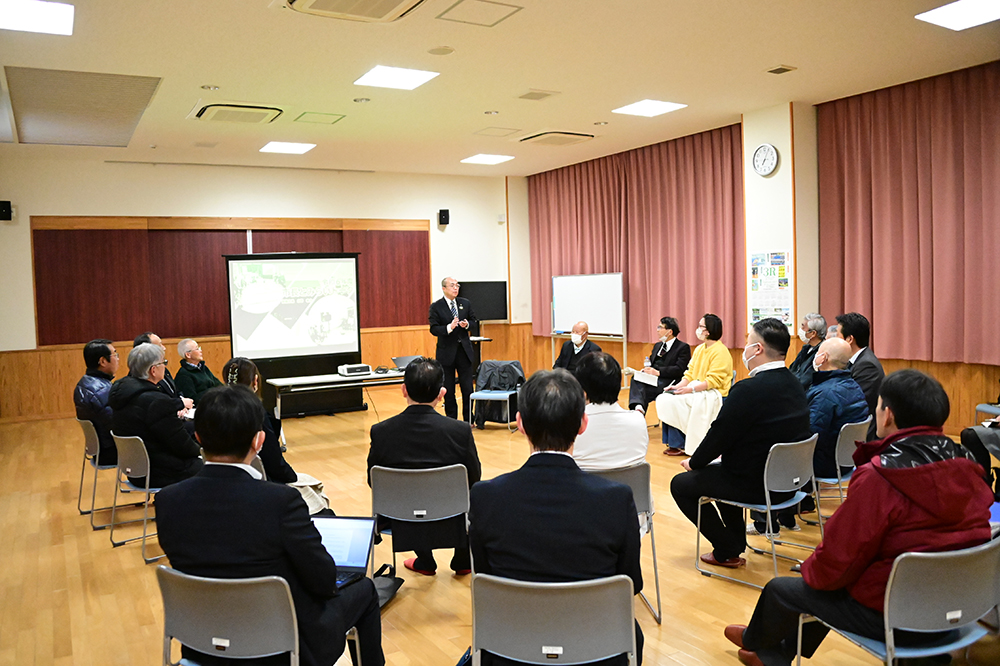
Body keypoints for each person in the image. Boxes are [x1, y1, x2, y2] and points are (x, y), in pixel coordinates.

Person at [725, 370, 994, 666]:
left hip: (899, 617)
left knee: (784, 589)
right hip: (962, 607)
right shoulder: (967, 462)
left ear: (887, 415)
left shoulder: (882, 475)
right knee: (831, 579)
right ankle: (770, 650)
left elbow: (840, 557)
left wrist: (812, 570)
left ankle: (760, 644)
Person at [156, 385, 385, 666]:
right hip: (281, 649)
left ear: (198, 437)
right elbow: (324, 581)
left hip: (202, 642)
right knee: (365, 590)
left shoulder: (168, 501)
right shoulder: (280, 501)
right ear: (259, 440)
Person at [469, 369, 643, 666]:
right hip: (595, 650)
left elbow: (484, 578)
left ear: (520, 423)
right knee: (633, 633)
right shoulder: (616, 498)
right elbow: (631, 583)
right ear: (583, 424)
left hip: (511, 647)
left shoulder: (486, 496)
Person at [670, 318, 810, 569]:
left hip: (757, 485)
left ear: (757, 349)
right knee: (720, 471)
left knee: (681, 484)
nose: (745, 349)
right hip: (790, 483)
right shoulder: (795, 384)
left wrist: (695, 462)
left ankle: (727, 547)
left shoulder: (748, 389)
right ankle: (733, 544)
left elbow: (719, 435)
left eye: (747, 343)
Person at [367, 356, 480, 576]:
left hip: (400, 516)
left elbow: (374, 482)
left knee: (410, 497)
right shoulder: (460, 431)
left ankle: (425, 560)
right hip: (452, 515)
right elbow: (474, 479)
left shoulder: (381, 432)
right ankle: (463, 559)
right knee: (470, 495)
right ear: (442, 393)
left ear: (404, 390)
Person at [750, 337, 868, 535]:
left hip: (825, 462)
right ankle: (787, 517)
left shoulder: (825, 393)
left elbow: (807, 434)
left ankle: (766, 524)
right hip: (845, 460)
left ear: (823, 358)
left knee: (767, 453)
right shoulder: (853, 386)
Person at [108, 343, 203, 488]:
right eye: (163, 363)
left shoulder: (122, 392)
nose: (165, 366)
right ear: (153, 370)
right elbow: (182, 445)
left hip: (136, 471)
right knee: (214, 468)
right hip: (159, 472)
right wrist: (202, 451)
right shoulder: (156, 402)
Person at [655, 314, 733, 456]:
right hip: (697, 389)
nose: (698, 329)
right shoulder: (699, 349)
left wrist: (690, 389)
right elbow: (689, 373)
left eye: (701, 326)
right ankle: (674, 442)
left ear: (708, 331)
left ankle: (681, 443)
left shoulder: (721, 352)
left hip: (713, 393)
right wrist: (678, 387)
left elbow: (713, 381)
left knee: (677, 402)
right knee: (666, 397)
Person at [573, 352, 648, 471]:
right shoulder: (638, 420)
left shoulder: (571, 426)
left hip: (585, 483)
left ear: (582, 389)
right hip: (631, 483)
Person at [429, 277, 478, 420]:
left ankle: (469, 418)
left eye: (457, 285)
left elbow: (474, 321)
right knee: (448, 389)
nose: (456, 288)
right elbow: (433, 329)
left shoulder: (465, 303)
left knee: (468, 388)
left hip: (464, 352)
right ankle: (451, 419)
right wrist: (449, 328)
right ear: (444, 288)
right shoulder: (436, 307)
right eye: (452, 286)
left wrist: (467, 324)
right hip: (446, 353)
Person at [627, 316, 691, 415]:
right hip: (653, 379)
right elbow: (652, 363)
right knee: (636, 378)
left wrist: (658, 372)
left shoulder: (682, 347)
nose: (657, 330)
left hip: (668, 381)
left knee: (643, 391)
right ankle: (638, 408)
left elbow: (680, 369)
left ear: (670, 332)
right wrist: (647, 370)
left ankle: (637, 412)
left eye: (660, 327)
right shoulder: (658, 346)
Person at [835, 312, 884, 440]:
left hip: (862, 434)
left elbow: (853, 403)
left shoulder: (867, 366)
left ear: (849, 339)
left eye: (837, 335)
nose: (834, 340)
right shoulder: (852, 360)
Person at [73, 338, 120, 465]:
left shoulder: (84, 383)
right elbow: (118, 426)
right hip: (111, 452)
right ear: (103, 361)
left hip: (100, 449)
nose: (117, 359)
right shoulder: (101, 391)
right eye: (115, 355)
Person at [133, 331, 192, 412]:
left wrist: (182, 403)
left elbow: (175, 391)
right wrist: (179, 405)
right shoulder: (140, 377)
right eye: (159, 345)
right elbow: (157, 403)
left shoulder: (162, 368)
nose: (164, 348)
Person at [173, 338, 222, 405]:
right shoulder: (183, 375)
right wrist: (212, 392)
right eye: (197, 349)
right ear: (188, 355)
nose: (200, 351)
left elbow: (217, 384)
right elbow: (192, 399)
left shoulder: (203, 368)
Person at [787, 313, 825, 389]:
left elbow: (806, 380)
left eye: (803, 326)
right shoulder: (806, 348)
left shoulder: (821, 352)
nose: (800, 329)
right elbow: (792, 368)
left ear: (813, 333)